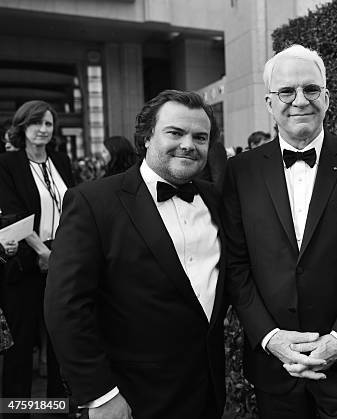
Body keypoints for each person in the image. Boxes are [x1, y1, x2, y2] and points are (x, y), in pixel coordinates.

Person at [222, 44, 337, 418]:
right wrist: (272, 339)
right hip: (274, 369)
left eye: (311, 89)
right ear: (269, 103)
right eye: (286, 91)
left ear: (327, 98)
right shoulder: (240, 172)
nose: (300, 100)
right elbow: (236, 266)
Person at [45, 90, 226, 419]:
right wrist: (99, 395)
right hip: (131, 396)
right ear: (146, 137)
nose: (189, 144)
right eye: (175, 132)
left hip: (207, 389)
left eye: (200, 137)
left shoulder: (217, 200)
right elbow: (66, 306)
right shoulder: (94, 202)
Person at [0, 101, 74, 412]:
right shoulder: (8, 163)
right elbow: (15, 213)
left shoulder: (61, 159)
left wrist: (63, 254)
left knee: (62, 343)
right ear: (22, 127)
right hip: (26, 264)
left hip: (63, 260)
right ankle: (16, 411)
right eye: (36, 123)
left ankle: (59, 409)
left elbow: (73, 204)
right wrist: (43, 253)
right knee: (20, 349)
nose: (43, 129)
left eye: (48, 123)